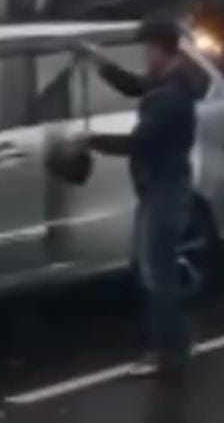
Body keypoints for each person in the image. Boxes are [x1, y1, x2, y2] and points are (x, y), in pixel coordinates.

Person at [76, 19, 207, 377]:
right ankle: (172, 343)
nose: (144, 56)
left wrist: (92, 141)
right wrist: (99, 63)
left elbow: (139, 142)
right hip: (159, 188)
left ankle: (169, 352)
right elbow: (134, 85)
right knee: (152, 268)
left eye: (147, 49)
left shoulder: (172, 98)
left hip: (165, 191)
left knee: (157, 274)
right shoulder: (168, 82)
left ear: (162, 49)